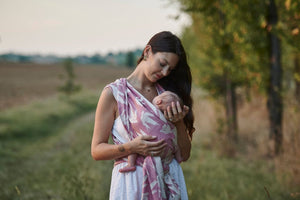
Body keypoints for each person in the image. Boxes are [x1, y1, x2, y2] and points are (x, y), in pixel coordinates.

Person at [91, 31, 195, 200]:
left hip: (169, 180)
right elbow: (96, 150)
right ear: (147, 52)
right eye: (162, 63)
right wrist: (132, 147)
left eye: (170, 69)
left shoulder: (168, 96)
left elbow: (184, 155)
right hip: (132, 184)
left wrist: (179, 123)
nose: (165, 72)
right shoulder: (115, 94)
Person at [119, 91, 183, 173]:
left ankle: (130, 165)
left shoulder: (148, 111)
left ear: (159, 102)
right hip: (167, 147)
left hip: (149, 145)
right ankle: (179, 158)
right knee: (176, 147)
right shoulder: (169, 118)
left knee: (134, 148)